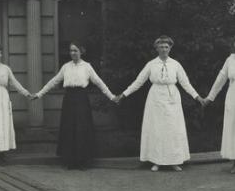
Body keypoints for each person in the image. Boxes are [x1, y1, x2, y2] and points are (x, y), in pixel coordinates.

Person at [115, 35, 204, 172]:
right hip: (155, 98)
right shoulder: (151, 64)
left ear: (170, 48)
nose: (164, 49)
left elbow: (185, 83)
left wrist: (197, 97)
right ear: (156, 48)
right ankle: (157, 161)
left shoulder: (175, 64)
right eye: (161, 47)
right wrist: (124, 94)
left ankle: (174, 161)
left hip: (172, 98)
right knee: (157, 129)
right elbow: (138, 82)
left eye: (166, 47)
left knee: (172, 129)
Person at [32, 42, 116, 169]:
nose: (73, 53)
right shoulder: (66, 67)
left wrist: (112, 97)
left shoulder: (87, 67)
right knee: (69, 128)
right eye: (71, 51)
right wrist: (39, 94)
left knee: (82, 128)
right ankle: (70, 161)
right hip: (69, 99)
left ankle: (83, 161)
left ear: (81, 51)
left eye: (75, 50)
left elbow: (99, 83)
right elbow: (54, 81)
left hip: (81, 99)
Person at [204, 39, 235, 173]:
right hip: (233, 96)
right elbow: (220, 79)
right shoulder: (230, 60)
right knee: (233, 127)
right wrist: (210, 98)